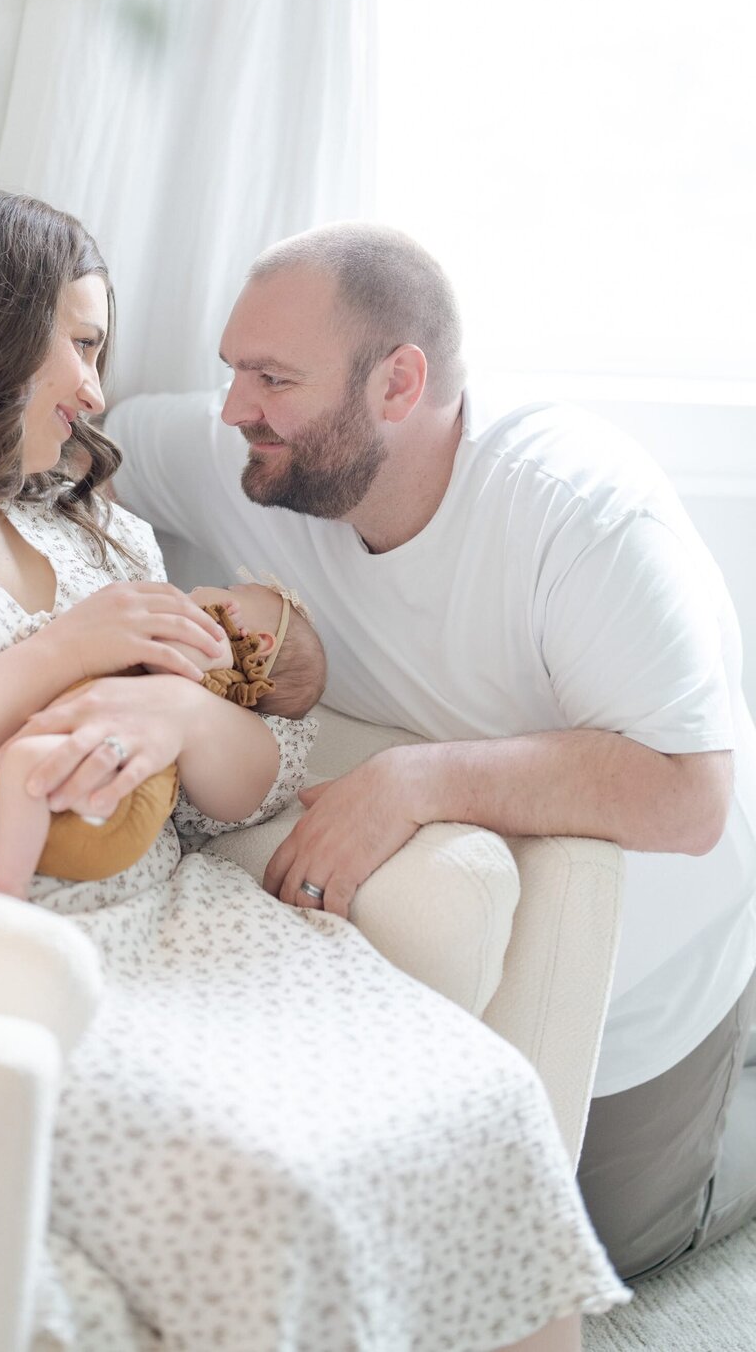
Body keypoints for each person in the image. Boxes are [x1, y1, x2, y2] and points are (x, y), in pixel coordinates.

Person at [0, 190, 625, 1351]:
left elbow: (251, 783)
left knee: (483, 1103)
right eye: (87, 342)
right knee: (283, 1182)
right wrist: (59, 651)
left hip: (181, 919)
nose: (100, 392)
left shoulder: (78, 518)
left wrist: (179, 718)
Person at [106, 219, 756, 1286]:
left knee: (616, 1245)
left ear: (400, 383)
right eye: (233, 370)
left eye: (272, 376)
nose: (234, 408)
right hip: (549, 930)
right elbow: (97, 448)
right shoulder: (256, 460)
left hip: (668, 967)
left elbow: (689, 797)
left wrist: (422, 777)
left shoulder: (578, 511)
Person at [0, 580, 326, 895]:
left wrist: (202, 619)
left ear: (257, 640)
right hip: (101, 801)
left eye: (231, 589)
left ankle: (5, 889)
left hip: (111, 799)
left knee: (26, 762)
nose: (200, 586)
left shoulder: (212, 654)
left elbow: (174, 654)